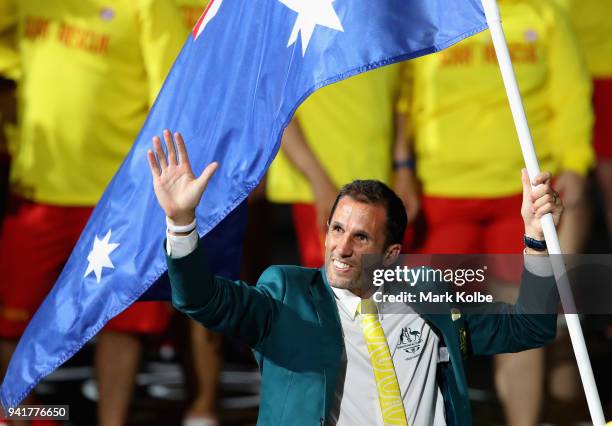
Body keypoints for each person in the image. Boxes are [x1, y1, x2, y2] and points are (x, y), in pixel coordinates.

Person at [146, 129, 563, 425]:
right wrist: (182, 223)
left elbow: (531, 326)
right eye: (337, 229)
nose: (342, 248)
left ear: (391, 255)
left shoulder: (429, 298)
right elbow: (201, 299)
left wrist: (537, 241)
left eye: (361, 237)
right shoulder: (285, 295)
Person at [397, 1, 593, 423]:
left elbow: (572, 96)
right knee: (424, 318)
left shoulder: (547, 16)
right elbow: (404, 100)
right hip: (441, 195)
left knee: (519, 316)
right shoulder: (432, 12)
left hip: (517, 195)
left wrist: (576, 163)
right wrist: (403, 168)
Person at [0, 2, 184, 425]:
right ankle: (30, 418)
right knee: (11, 324)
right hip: (36, 193)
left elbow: (174, 95)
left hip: (118, 199)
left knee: (120, 324)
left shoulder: (149, 4)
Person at [266, 65, 419, 268]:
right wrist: (319, 181)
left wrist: (403, 167)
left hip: (381, 190)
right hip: (316, 197)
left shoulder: (393, 33)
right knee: (328, 293)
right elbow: (276, 108)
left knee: (374, 293)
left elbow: (401, 99)